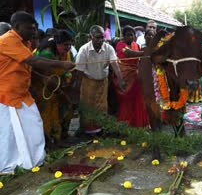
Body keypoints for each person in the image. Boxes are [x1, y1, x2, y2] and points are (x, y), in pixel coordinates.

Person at [0, 11, 75, 173]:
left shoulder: (23, 42)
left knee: (33, 124)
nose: (34, 33)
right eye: (30, 29)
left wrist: (42, 77)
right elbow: (33, 60)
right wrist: (61, 65)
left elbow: (27, 66)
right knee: (10, 134)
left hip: (21, 94)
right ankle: (10, 166)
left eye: (35, 29)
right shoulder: (7, 40)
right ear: (17, 27)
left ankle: (34, 159)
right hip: (7, 96)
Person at [76, 25, 125, 135]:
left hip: (103, 82)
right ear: (90, 37)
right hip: (88, 82)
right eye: (97, 37)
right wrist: (76, 89)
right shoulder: (83, 50)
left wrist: (120, 79)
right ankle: (86, 131)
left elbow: (114, 64)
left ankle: (100, 129)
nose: (100, 40)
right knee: (88, 108)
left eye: (102, 37)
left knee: (102, 107)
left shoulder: (109, 48)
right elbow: (79, 72)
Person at [31, 30, 76, 148]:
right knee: (46, 113)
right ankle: (46, 142)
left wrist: (67, 84)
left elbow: (66, 70)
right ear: (57, 43)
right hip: (42, 87)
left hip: (57, 85)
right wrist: (61, 93)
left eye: (70, 44)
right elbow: (46, 78)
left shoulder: (66, 53)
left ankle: (57, 138)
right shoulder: (46, 54)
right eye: (65, 45)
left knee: (59, 111)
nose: (68, 47)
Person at [114, 25, 149, 127]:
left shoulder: (136, 45)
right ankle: (126, 123)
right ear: (124, 36)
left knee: (138, 99)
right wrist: (146, 52)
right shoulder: (120, 45)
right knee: (126, 101)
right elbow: (130, 53)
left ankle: (139, 123)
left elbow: (139, 59)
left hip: (136, 76)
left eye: (132, 35)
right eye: (128, 35)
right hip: (125, 76)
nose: (131, 37)